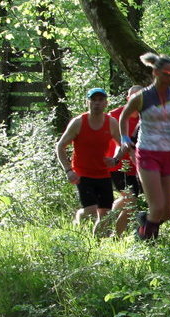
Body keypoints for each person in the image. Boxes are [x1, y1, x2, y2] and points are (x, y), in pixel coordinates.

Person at [125, 52, 170, 240]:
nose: (169, 77)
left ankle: (145, 222)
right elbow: (123, 117)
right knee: (157, 207)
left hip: (169, 154)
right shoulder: (142, 97)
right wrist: (124, 139)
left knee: (168, 212)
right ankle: (147, 243)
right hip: (147, 153)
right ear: (155, 72)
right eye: (166, 73)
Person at [53, 87, 127, 237]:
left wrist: (115, 159)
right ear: (88, 102)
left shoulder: (111, 122)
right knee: (91, 211)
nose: (97, 103)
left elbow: (123, 145)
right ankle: (80, 216)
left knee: (105, 214)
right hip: (82, 173)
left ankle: (97, 243)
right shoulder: (79, 122)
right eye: (93, 100)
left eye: (100, 100)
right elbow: (60, 146)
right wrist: (68, 170)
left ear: (106, 103)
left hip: (103, 174)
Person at [104, 86, 145, 237]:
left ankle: (104, 219)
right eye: (133, 97)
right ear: (128, 99)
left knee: (127, 200)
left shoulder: (146, 117)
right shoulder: (115, 115)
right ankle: (116, 237)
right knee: (132, 202)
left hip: (138, 168)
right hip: (119, 165)